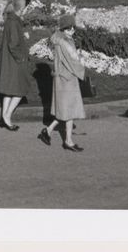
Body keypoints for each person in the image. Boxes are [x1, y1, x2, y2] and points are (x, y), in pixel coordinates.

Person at [40, 13, 88, 152]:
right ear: (63, 29)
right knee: (68, 110)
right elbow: (72, 61)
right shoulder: (64, 42)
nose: (72, 30)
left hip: (62, 78)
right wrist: (82, 70)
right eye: (68, 28)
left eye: (73, 27)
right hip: (67, 78)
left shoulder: (59, 39)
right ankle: (68, 141)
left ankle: (49, 132)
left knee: (66, 110)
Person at [0, 0, 39, 130]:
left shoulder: (10, 20)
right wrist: (22, 58)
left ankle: (4, 118)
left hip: (10, 62)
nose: (26, 10)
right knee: (20, 91)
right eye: (26, 8)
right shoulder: (14, 22)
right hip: (15, 62)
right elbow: (13, 45)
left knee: (9, 91)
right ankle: (7, 117)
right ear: (21, 9)